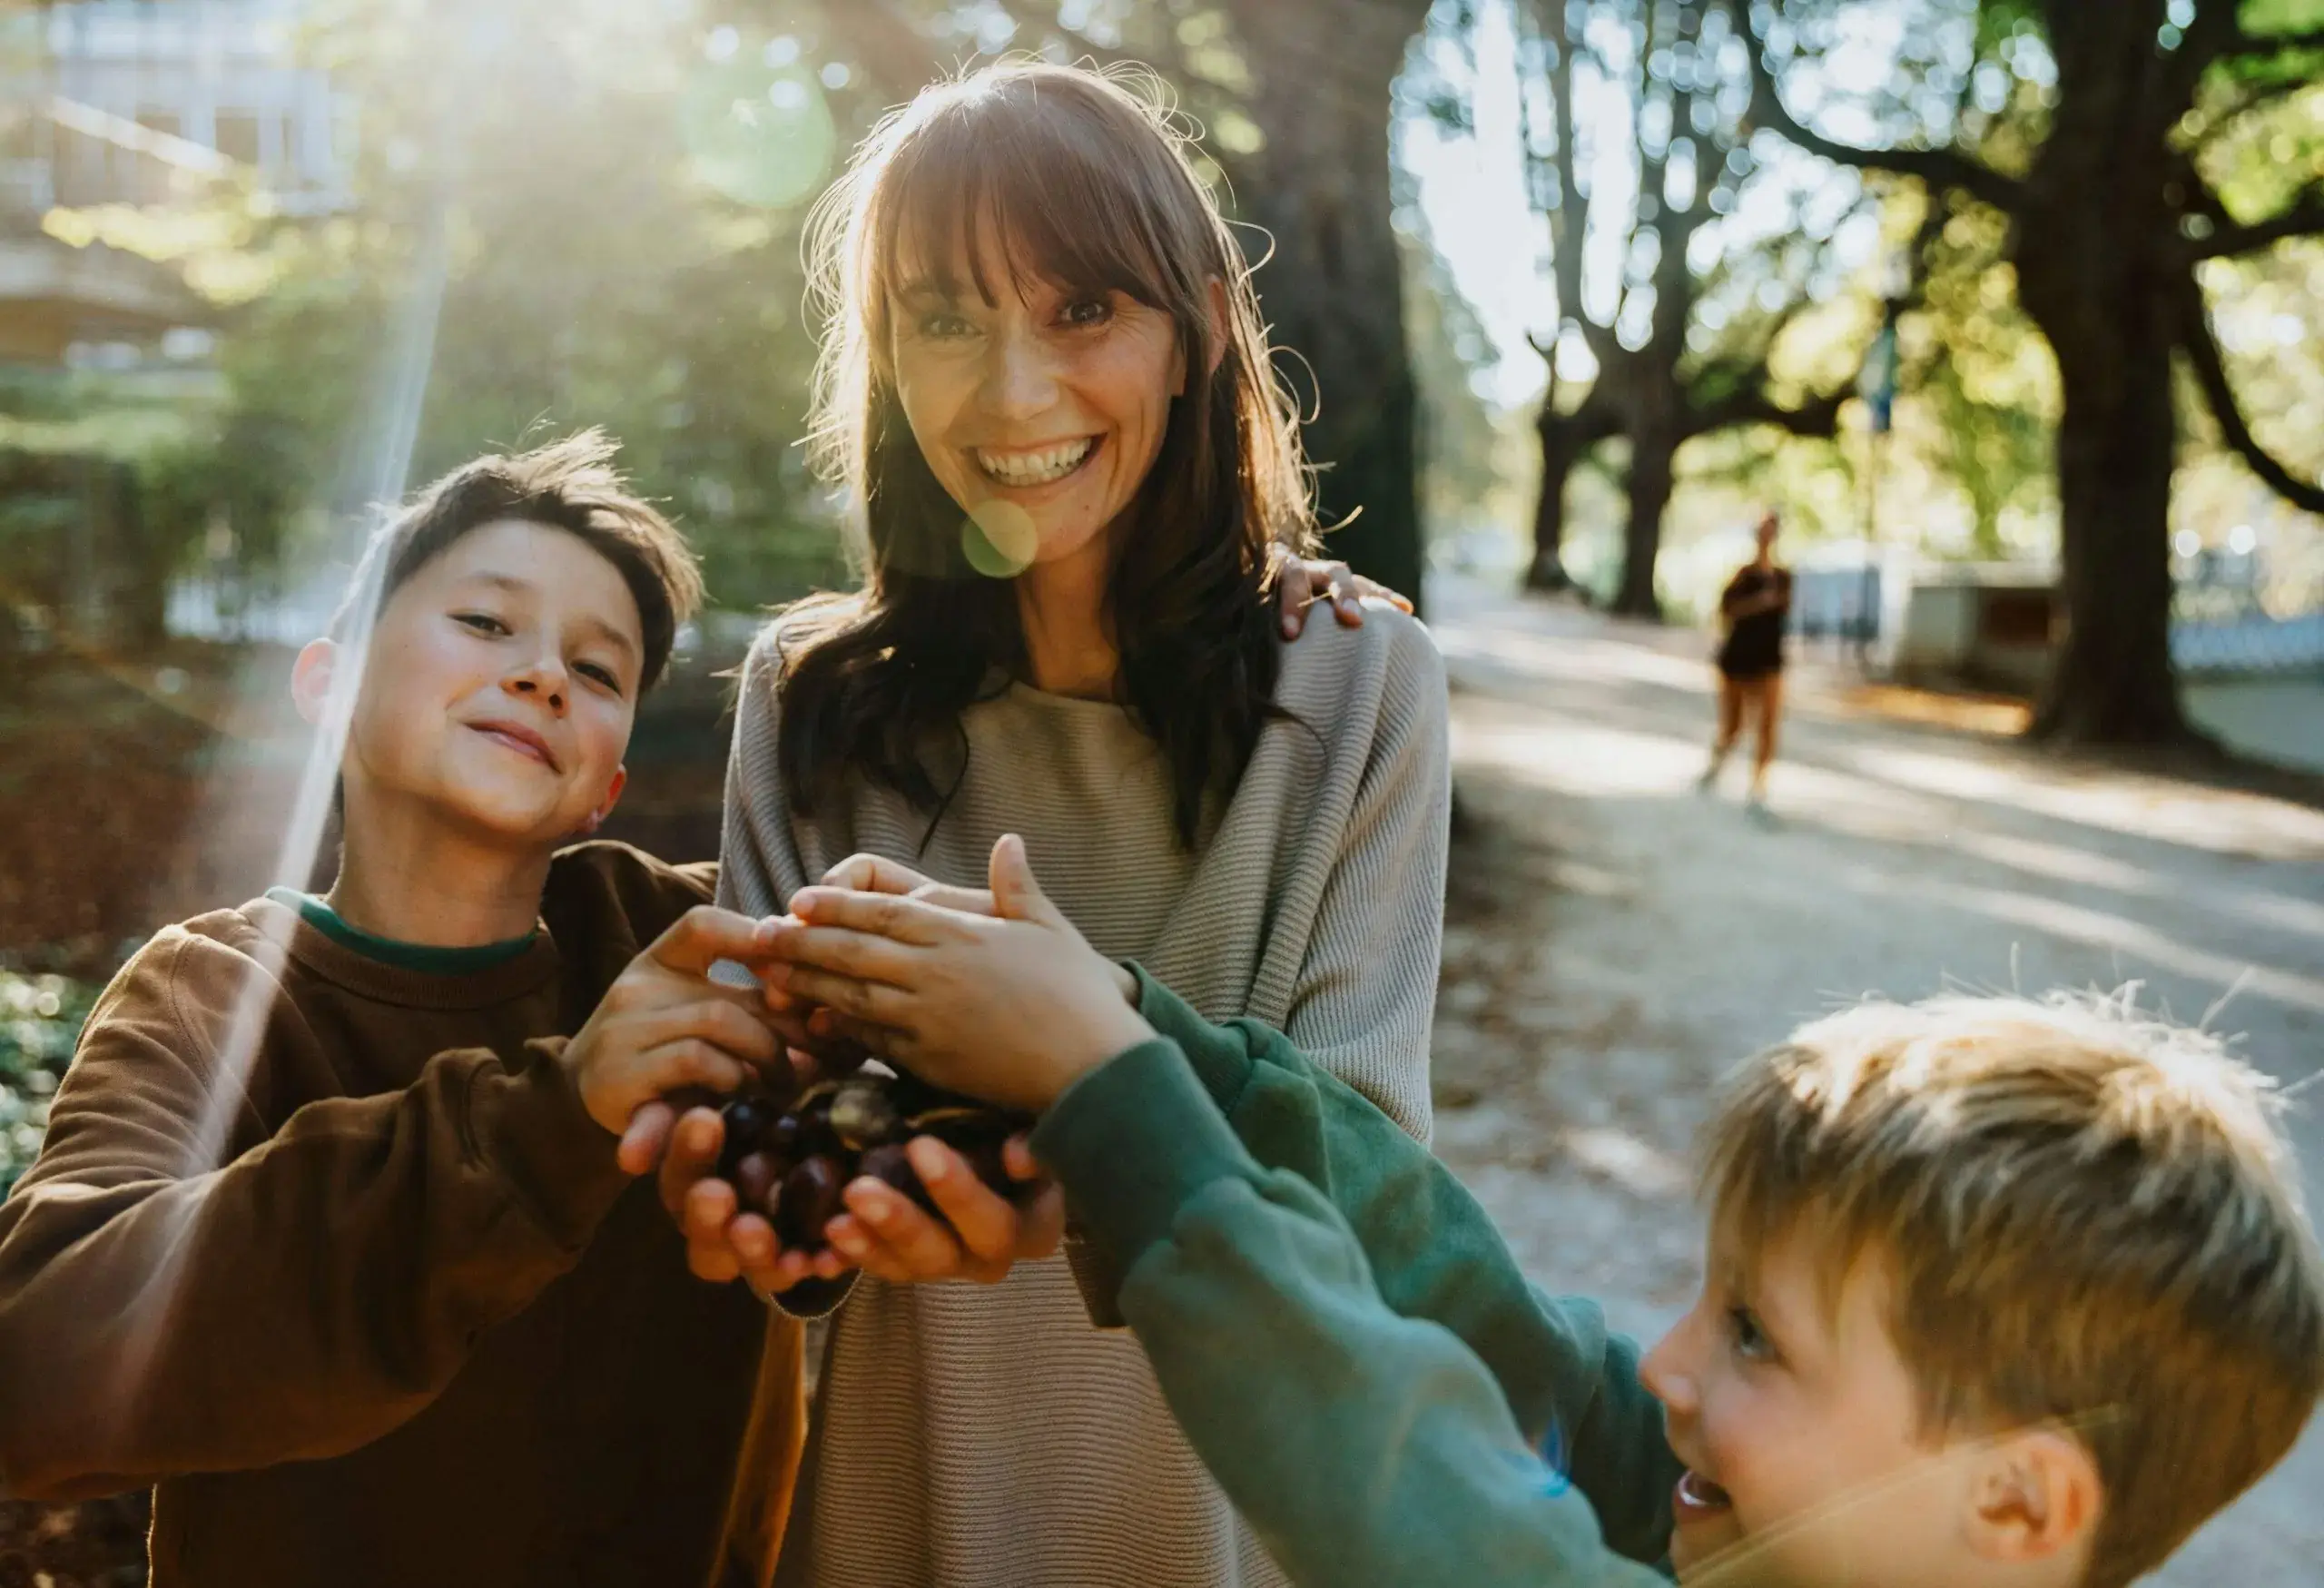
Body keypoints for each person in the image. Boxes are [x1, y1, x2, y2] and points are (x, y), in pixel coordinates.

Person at [752, 836, 2324, 1588]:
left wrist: (1118, 1098)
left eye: (1760, 1336)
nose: (1670, 1360)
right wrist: (1154, 1039)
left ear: (2016, 1504)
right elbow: (1489, 1327)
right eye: (1718, 1297)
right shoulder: (1773, 1530)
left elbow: (1413, 1485)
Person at [679, 60, 1451, 1588]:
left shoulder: (1358, 682)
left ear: (1200, 330)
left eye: (1083, 309)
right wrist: (777, 1204)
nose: (1013, 392)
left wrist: (1072, 1056)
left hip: (1229, 1523)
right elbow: (774, 1180)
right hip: (907, 1514)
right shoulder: (811, 700)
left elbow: (1363, 1179)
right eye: (946, 318)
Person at [0, 434, 821, 1587]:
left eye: (598, 672)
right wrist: (553, 1119)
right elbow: (37, 1373)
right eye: (487, 624)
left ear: (607, 787)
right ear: (327, 684)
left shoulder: (694, 948)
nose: (543, 674)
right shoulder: (212, 997)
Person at [1699, 510, 1791, 813]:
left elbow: (1785, 613)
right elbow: (1726, 611)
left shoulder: (1783, 577)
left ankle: (1759, 785)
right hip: (1738, 658)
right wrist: (1757, 604)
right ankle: (1716, 764)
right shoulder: (1742, 576)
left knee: (1767, 725)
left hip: (1769, 659)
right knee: (1733, 725)